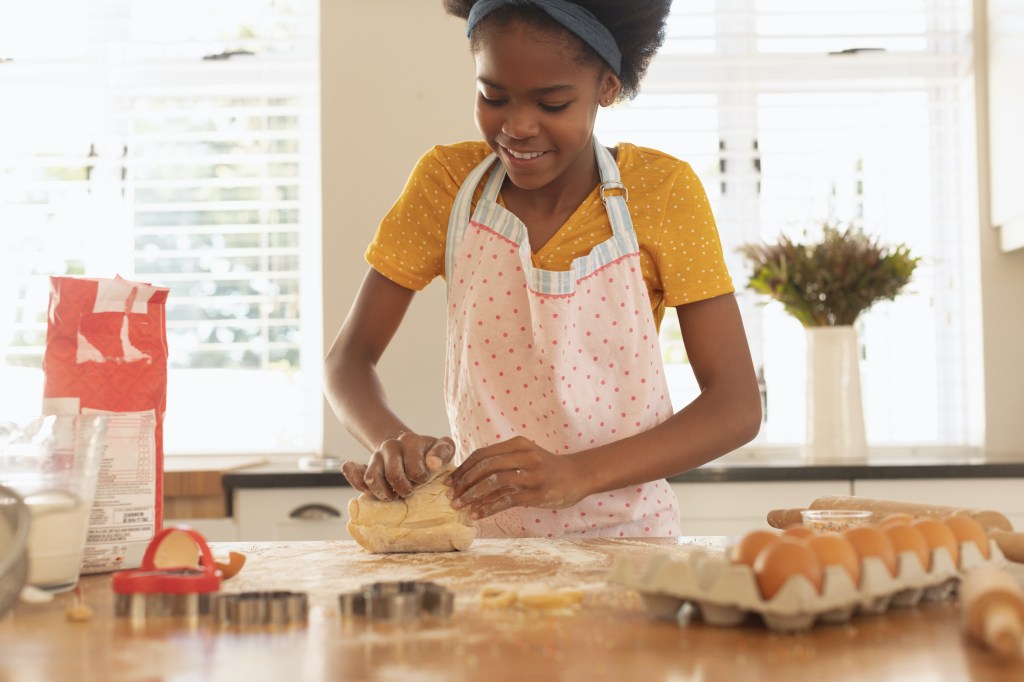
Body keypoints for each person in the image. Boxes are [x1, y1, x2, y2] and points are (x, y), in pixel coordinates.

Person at [324, 0, 762, 539]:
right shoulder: (446, 186)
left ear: (606, 87)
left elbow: (736, 406)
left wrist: (578, 473)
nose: (517, 127)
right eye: (493, 97)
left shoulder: (663, 192)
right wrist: (391, 440)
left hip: (629, 544)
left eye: (552, 103)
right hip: (485, 544)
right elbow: (347, 360)